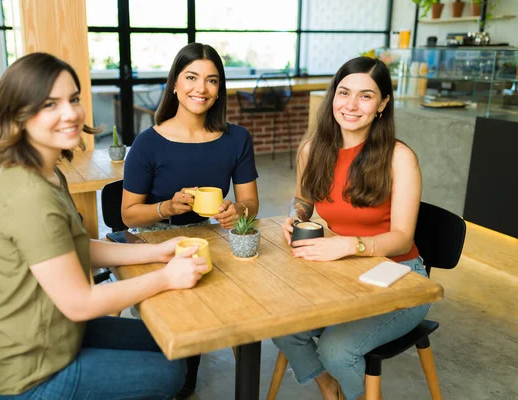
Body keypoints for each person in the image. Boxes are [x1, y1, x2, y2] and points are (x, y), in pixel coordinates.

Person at [0, 52, 210, 400]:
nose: (70, 113)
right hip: (25, 374)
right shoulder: (29, 196)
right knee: (170, 372)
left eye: (74, 99)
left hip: (56, 335)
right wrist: (165, 277)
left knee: (172, 344)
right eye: (49, 104)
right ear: (17, 115)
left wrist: (157, 250)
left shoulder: (46, 171)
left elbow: (77, 245)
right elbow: (79, 303)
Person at [272, 56, 430, 400]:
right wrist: (295, 216)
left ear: (383, 104)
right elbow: (303, 199)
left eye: (366, 96)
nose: (351, 105)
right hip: (345, 270)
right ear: (332, 97)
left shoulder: (399, 158)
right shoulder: (312, 149)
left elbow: (402, 237)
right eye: (344, 93)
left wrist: (349, 245)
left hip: (401, 275)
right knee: (280, 324)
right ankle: (330, 389)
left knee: (336, 351)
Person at [121, 43, 260, 399]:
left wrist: (235, 212)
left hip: (212, 239)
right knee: (174, 360)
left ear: (219, 89)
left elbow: (250, 203)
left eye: (212, 80)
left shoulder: (237, 138)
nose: (201, 88)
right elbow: (129, 214)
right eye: (192, 78)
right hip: (155, 244)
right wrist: (167, 207)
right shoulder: (147, 143)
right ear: (175, 85)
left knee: (247, 307)